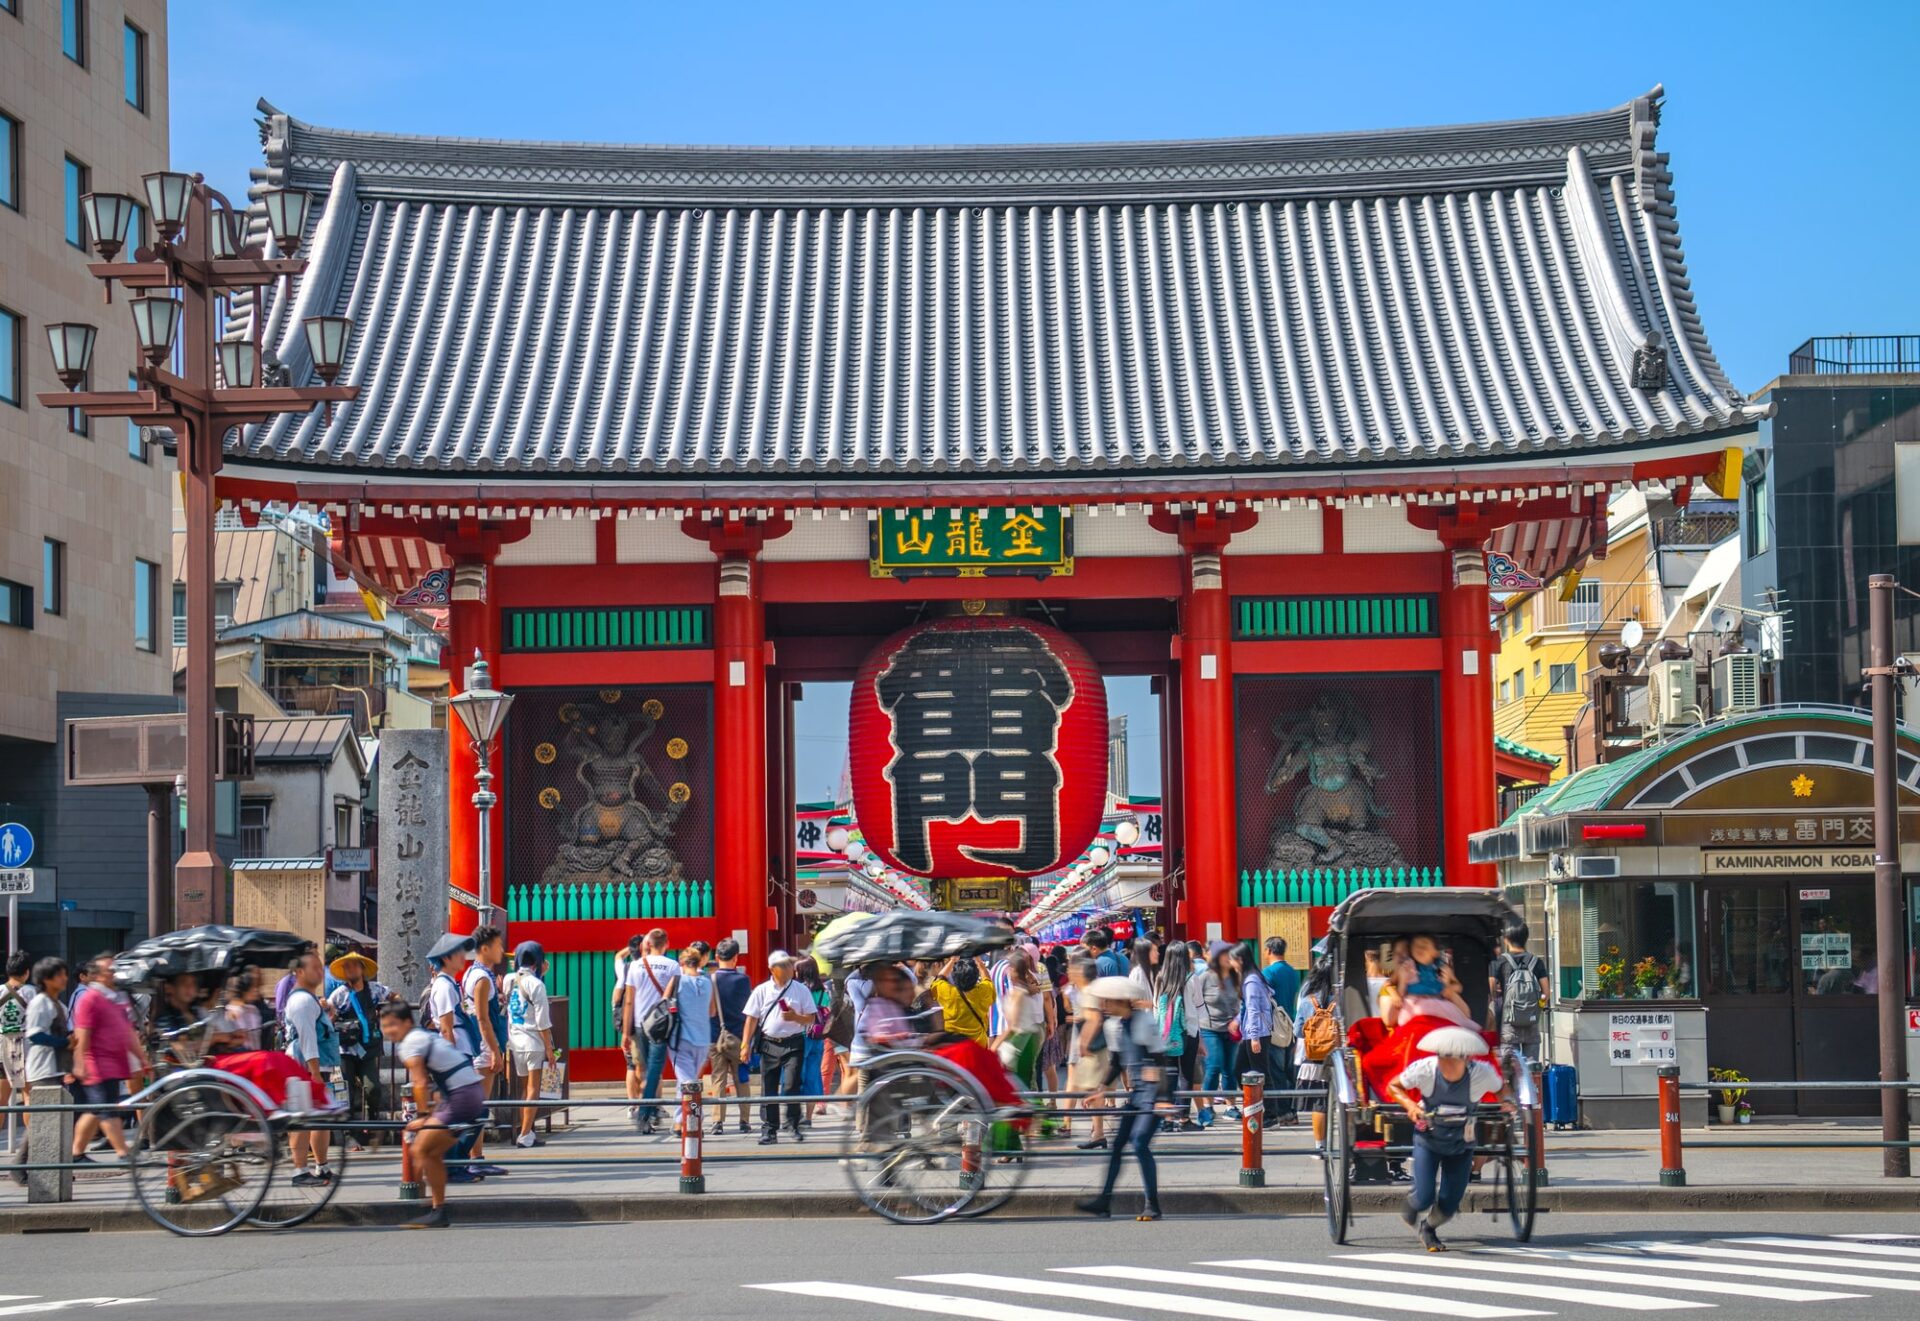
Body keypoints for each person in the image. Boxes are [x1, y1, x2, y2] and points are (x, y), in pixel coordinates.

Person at [1387, 1025, 1509, 1252]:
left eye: (1453, 1058)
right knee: (1423, 1197)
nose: (1447, 1062)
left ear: (1467, 1058)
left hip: (1462, 1143)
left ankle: (1429, 1227)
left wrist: (1506, 1101)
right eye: (1443, 1057)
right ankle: (1414, 1204)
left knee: (1450, 1202)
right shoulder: (1426, 1069)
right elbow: (1394, 1086)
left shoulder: (1481, 1073)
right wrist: (1411, 1105)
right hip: (1428, 1140)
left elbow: (1502, 1089)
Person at [385, 997, 486, 1229]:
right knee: (430, 1153)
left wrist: (422, 1117)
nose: (388, 1030)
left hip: (462, 1097)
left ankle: (436, 1209)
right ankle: (436, 1207)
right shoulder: (424, 1036)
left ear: (406, 1023)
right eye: (384, 1025)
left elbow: (420, 1083)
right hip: (469, 1094)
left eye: (392, 1024)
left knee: (421, 1148)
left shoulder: (410, 1043)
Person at [1075, 975, 1168, 1221]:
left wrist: (1163, 1098)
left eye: (1107, 1000)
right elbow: (1116, 1063)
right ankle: (1104, 1201)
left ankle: (1153, 1205)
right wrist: (1101, 1088)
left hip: (1154, 1091)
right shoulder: (1115, 1025)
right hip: (1136, 1092)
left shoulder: (1144, 1022)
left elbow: (1161, 1061)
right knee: (1117, 1146)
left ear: (1120, 1001)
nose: (1103, 1004)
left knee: (1139, 1143)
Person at [70, 957, 145, 1165]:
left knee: (96, 1110)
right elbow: (82, 1033)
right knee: (106, 1109)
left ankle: (76, 1153)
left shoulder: (115, 998)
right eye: (109, 970)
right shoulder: (90, 998)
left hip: (114, 1063)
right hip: (97, 1063)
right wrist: (79, 1061)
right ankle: (123, 1152)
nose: (114, 973)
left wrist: (140, 1057)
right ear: (96, 975)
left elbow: (127, 1032)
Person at [738, 950, 813, 1144]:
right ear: (772, 969)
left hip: (794, 1042)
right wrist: (745, 1045)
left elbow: (812, 1018)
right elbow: (751, 1019)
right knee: (768, 1087)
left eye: (790, 964)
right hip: (770, 1042)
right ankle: (769, 1129)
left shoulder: (801, 989)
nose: (789, 968)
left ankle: (793, 1124)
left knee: (791, 1085)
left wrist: (796, 1017)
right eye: (784, 965)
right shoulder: (762, 990)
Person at [281, 946, 340, 1186]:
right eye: (314, 968)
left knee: (319, 1118)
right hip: (303, 1067)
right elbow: (307, 1039)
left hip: (313, 1066)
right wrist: (314, 1072)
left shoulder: (309, 1000)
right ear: (299, 972)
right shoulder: (303, 1000)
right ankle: (299, 1171)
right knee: (303, 1119)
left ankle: (321, 1165)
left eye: (320, 967)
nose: (319, 972)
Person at [11, 959, 71, 1185]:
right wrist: (64, 1042)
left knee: (47, 1118)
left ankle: (41, 1166)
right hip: (43, 1067)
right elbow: (34, 1035)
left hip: (53, 1067)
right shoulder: (40, 1003)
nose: (64, 979)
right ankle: (21, 1164)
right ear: (46, 979)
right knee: (42, 1119)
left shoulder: (53, 1002)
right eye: (59, 975)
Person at [616, 928, 680, 1134]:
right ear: (667, 944)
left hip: (640, 1024)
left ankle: (647, 1112)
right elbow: (674, 997)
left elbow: (628, 1001)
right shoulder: (673, 966)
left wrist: (625, 1033)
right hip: (661, 1023)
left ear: (648, 944)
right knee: (655, 1069)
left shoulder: (635, 966)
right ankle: (648, 1112)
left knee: (645, 1070)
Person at [326, 952, 388, 1140]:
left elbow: (393, 995)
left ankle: (372, 1118)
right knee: (346, 1091)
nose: (350, 970)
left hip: (368, 1048)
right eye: (347, 967)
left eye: (354, 966)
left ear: (362, 968)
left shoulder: (375, 990)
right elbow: (329, 1017)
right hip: (345, 1049)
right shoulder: (339, 995)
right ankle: (350, 1134)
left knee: (372, 1087)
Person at [461, 926, 508, 1169]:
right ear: (485, 948)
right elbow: (482, 1018)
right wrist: (494, 1050)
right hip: (482, 1047)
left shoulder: (473, 974)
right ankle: (475, 1158)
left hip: (477, 1045)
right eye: (498, 945)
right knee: (479, 1105)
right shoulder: (481, 979)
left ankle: (474, 1157)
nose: (502, 950)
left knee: (478, 1104)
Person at [503, 942, 555, 1149]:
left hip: (515, 1041)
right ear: (538, 960)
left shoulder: (509, 979)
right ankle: (525, 1134)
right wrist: (550, 1049)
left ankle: (528, 1131)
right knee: (534, 1089)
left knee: (526, 1088)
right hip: (534, 1041)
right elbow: (543, 1021)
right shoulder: (537, 985)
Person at [1184, 941, 1241, 1126]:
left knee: (1230, 1069)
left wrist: (1237, 1019)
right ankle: (1207, 1106)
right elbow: (1195, 1002)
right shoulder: (1204, 977)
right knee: (1214, 1064)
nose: (1228, 958)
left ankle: (1230, 1106)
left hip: (1231, 1029)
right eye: (1225, 955)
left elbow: (1243, 1001)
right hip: (1209, 1028)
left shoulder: (1235, 977)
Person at [668, 945, 717, 1132]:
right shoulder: (707, 982)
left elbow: (665, 1004)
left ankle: (694, 1118)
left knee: (687, 1083)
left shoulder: (677, 981)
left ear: (682, 962)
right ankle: (680, 1121)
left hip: (680, 1039)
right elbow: (712, 1011)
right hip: (702, 1038)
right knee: (686, 1081)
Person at [707, 938, 753, 1134]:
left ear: (717, 957)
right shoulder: (743, 980)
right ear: (736, 958)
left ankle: (718, 1122)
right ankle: (744, 1121)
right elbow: (748, 1011)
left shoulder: (710, 979)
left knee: (718, 1079)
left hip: (715, 1036)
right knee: (741, 1079)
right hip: (738, 1037)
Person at [1152, 940, 1197, 1130]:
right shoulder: (1191, 978)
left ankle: (1167, 1120)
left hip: (1165, 1033)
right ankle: (1183, 1119)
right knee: (1186, 1075)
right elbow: (1197, 1008)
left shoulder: (1160, 977)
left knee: (1169, 1075)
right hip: (1188, 1032)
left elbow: (1156, 1007)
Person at [1066, 956, 1109, 1149]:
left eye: (1073, 970)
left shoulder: (1090, 992)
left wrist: (1083, 1043)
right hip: (1097, 1049)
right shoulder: (1091, 990)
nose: (1069, 973)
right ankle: (1097, 1132)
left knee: (1093, 1091)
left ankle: (1098, 1133)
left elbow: (1095, 1019)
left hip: (1094, 1050)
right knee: (1093, 1091)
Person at [1489, 923, 1548, 1061]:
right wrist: (1537, 1006)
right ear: (1526, 938)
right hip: (1531, 1023)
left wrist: (1497, 1002)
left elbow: (1491, 986)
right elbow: (1546, 992)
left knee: (1510, 1070)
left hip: (1509, 1023)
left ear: (1506, 939)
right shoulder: (1536, 962)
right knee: (1532, 1070)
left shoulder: (1499, 962)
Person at [1231, 945, 1276, 1125]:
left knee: (1261, 1072)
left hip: (1256, 1034)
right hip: (1252, 1033)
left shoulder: (1251, 981)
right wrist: (1238, 1021)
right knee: (1241, 1069)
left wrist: (1255, 1036)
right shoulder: (1254, 978)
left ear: (1241, 960)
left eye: (1233, 959)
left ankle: (1271, 1113)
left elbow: (1253, 1009)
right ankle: (1256, 1106)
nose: (1231, 963)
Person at [991, 947, 1046, 1092]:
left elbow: (1012, 1026)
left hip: (1020, 1044)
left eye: (1009, 968)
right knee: (1023, 1085)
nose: (1007, 971)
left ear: (1014, 970)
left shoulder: (1018, 993)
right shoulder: (1022, 989)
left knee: (1021, 1086)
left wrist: (994, 1047)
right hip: (1025, 1041)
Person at [1294, 954, 1335, 1143]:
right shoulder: (1341, 999)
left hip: (1314, 1057)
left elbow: (1298, 1031)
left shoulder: (1306, 1001)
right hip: (1338, 1057)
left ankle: (1320, 1146)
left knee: (1319, 1104)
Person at [1260, 938, 1301, 1124]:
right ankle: (1292, 1112)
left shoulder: (1268, 973)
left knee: (1276, 1071)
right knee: (1289, 1070)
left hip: (1275, 1029)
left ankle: (1282, 1111)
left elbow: (1264, 1001)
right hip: (1290, 1025)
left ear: (1268, 950)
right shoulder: (1293, 973)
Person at [791, 955, 829, 1123]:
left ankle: (795, 1115)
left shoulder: (798, 990)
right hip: (818, 1037)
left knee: (797, 1074)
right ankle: (808, 1117)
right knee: (813, 1075)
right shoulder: (823, 991)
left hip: (801, 1036)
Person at [1, 951, 36, 1129]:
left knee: (0, 1101)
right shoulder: (30, 992)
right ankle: (30, 1143)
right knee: (28, 1097)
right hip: (26, 1048)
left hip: (2, 1049)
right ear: (27, 972)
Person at [931, 954, 995, 1047]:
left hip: (953, 1046)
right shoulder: (983, 991)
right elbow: (988, 980)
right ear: (976, 977)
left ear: (954, 976)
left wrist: (952, 961)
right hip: (978, 1047)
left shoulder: (947, 992)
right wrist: (979, 963)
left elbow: (939, 978)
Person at [219, 967, 265, 1052]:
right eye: (254, 987)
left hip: (256, 1055)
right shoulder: (230, 1012)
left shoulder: (254, 1010)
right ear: (244, 989)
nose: (257, 990)